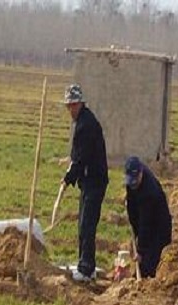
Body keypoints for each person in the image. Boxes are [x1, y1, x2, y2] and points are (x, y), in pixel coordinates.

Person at [62, 84, 109, 282]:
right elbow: (78, 155)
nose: (70, 109)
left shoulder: (86, 125)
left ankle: (86, 268)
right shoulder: (83, 122)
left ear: (80, 103)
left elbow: (80, 159)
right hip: (89, 181)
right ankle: (85, 264)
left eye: (73, 105)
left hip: (94, 181)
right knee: (83, 224)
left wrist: (68, 178)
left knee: (87, 225)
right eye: (68, 106)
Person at [125, 156, 172, 278]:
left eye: (136, 181)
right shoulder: (131, 182)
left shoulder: (150, 192)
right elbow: (131, 208)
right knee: (143, 260)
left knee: (150, 265)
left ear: (141, 173)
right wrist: (135, 235)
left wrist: (140, 251)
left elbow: (145, 224)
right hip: (146, 219)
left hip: (159, 227)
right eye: (131, 182)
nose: (133, 185)